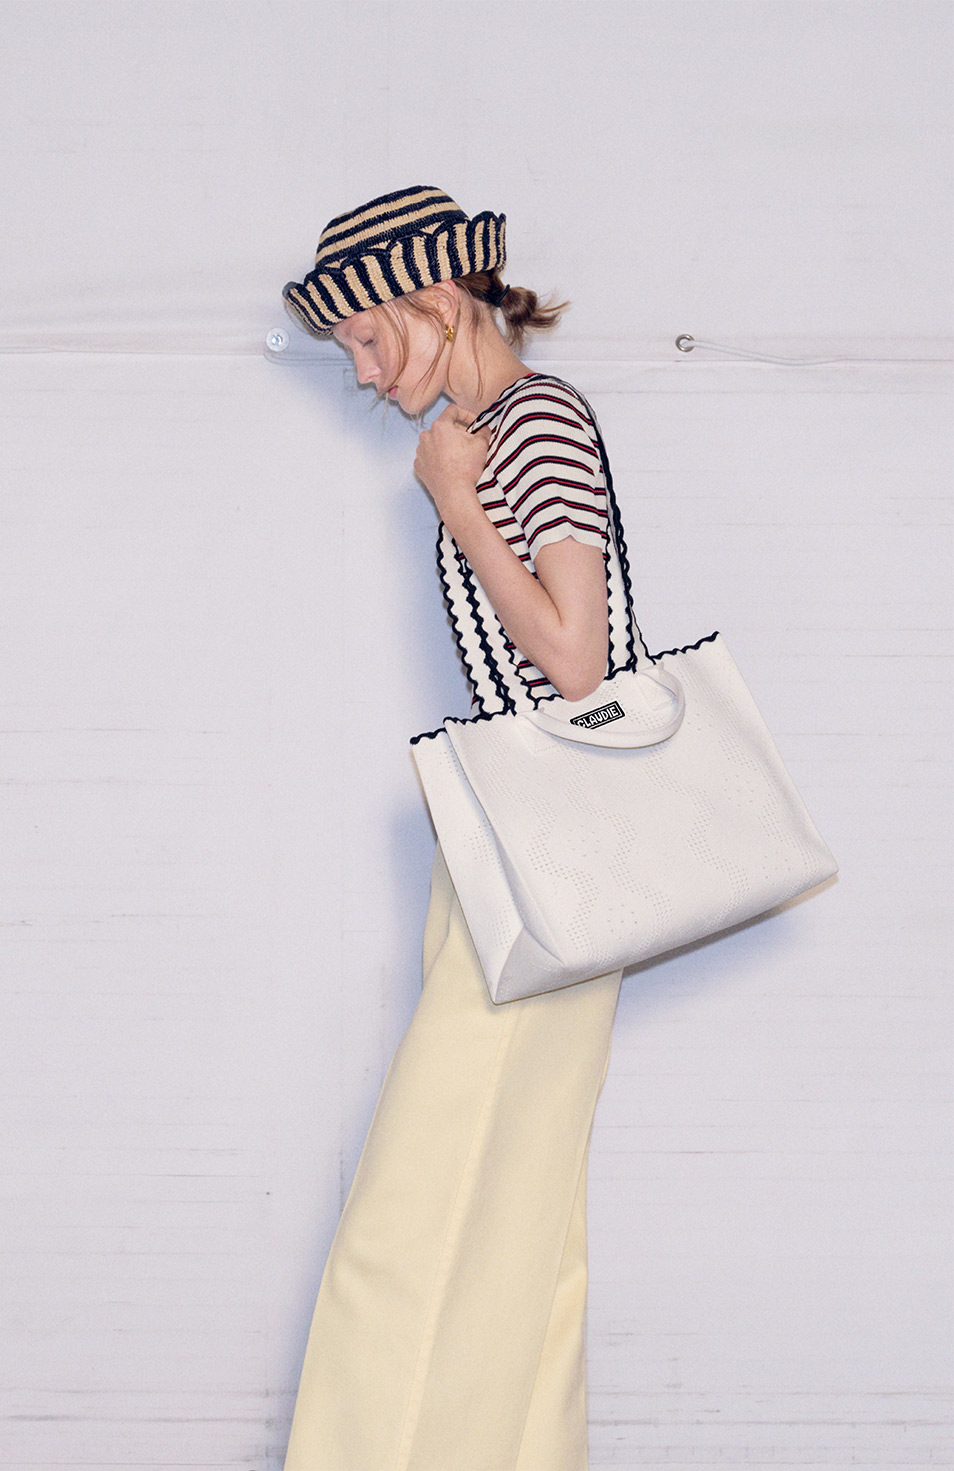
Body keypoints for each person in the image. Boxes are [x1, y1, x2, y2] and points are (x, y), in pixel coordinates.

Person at [281, 185, 625, 1471]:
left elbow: (579, 665)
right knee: (524, 1205)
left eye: (371, 341)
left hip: (556, 837)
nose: (368, 376)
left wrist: (455, 499)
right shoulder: (494, 431)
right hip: (523, 834)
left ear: (437, 302)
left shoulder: (537, 423)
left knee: (423, 1194)